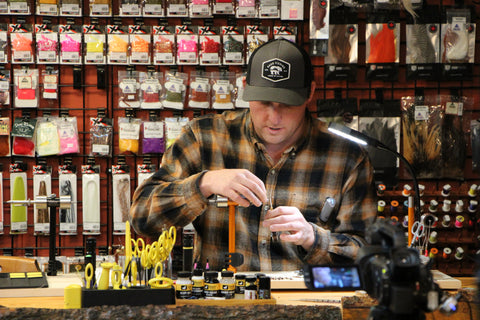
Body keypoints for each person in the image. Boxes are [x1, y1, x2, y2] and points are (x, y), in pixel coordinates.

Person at [130, 39, 377, 271]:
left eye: (288, 104)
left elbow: (368, 253)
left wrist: (313, 238)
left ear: (309, 93)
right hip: (222, 305)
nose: (274, 118)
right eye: (264, 102)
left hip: (304, 305)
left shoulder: (347, 156)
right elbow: (142, 217)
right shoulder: (204, 137)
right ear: (246, 88)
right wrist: (204, 183)